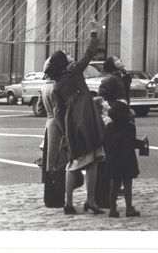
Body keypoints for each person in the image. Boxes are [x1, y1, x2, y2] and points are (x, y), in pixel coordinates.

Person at [45, 20, 106, 214]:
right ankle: (90, 200)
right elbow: (89, 55)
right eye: (67, 55)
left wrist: (65, 132)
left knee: (76, 161)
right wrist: (94, 34)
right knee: (92, 158)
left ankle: (69, 202)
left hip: (72, 121)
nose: (71, 56)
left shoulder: (57, 84)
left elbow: (58, 112)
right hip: (85, 116)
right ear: (63, 62)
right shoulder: (72, 72)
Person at [38, 59, 69, 208]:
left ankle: (50, 197)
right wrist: (65, 131)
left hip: (48, 124)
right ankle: (57, 198)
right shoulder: (56, 87)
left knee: (49, 162)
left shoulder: (45, 87)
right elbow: (58, 112)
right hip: (57, 125)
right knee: (59, 161)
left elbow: (39, 109)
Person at [104, 100, 142, 217]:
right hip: (127, 159)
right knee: (127, 184)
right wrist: (141, 143)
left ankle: (112, 209)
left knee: (114, 185)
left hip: (113, 159)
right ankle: (129, 208)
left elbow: (106, 143)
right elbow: (132, 142)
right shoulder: (130, 127)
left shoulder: (109, 126)